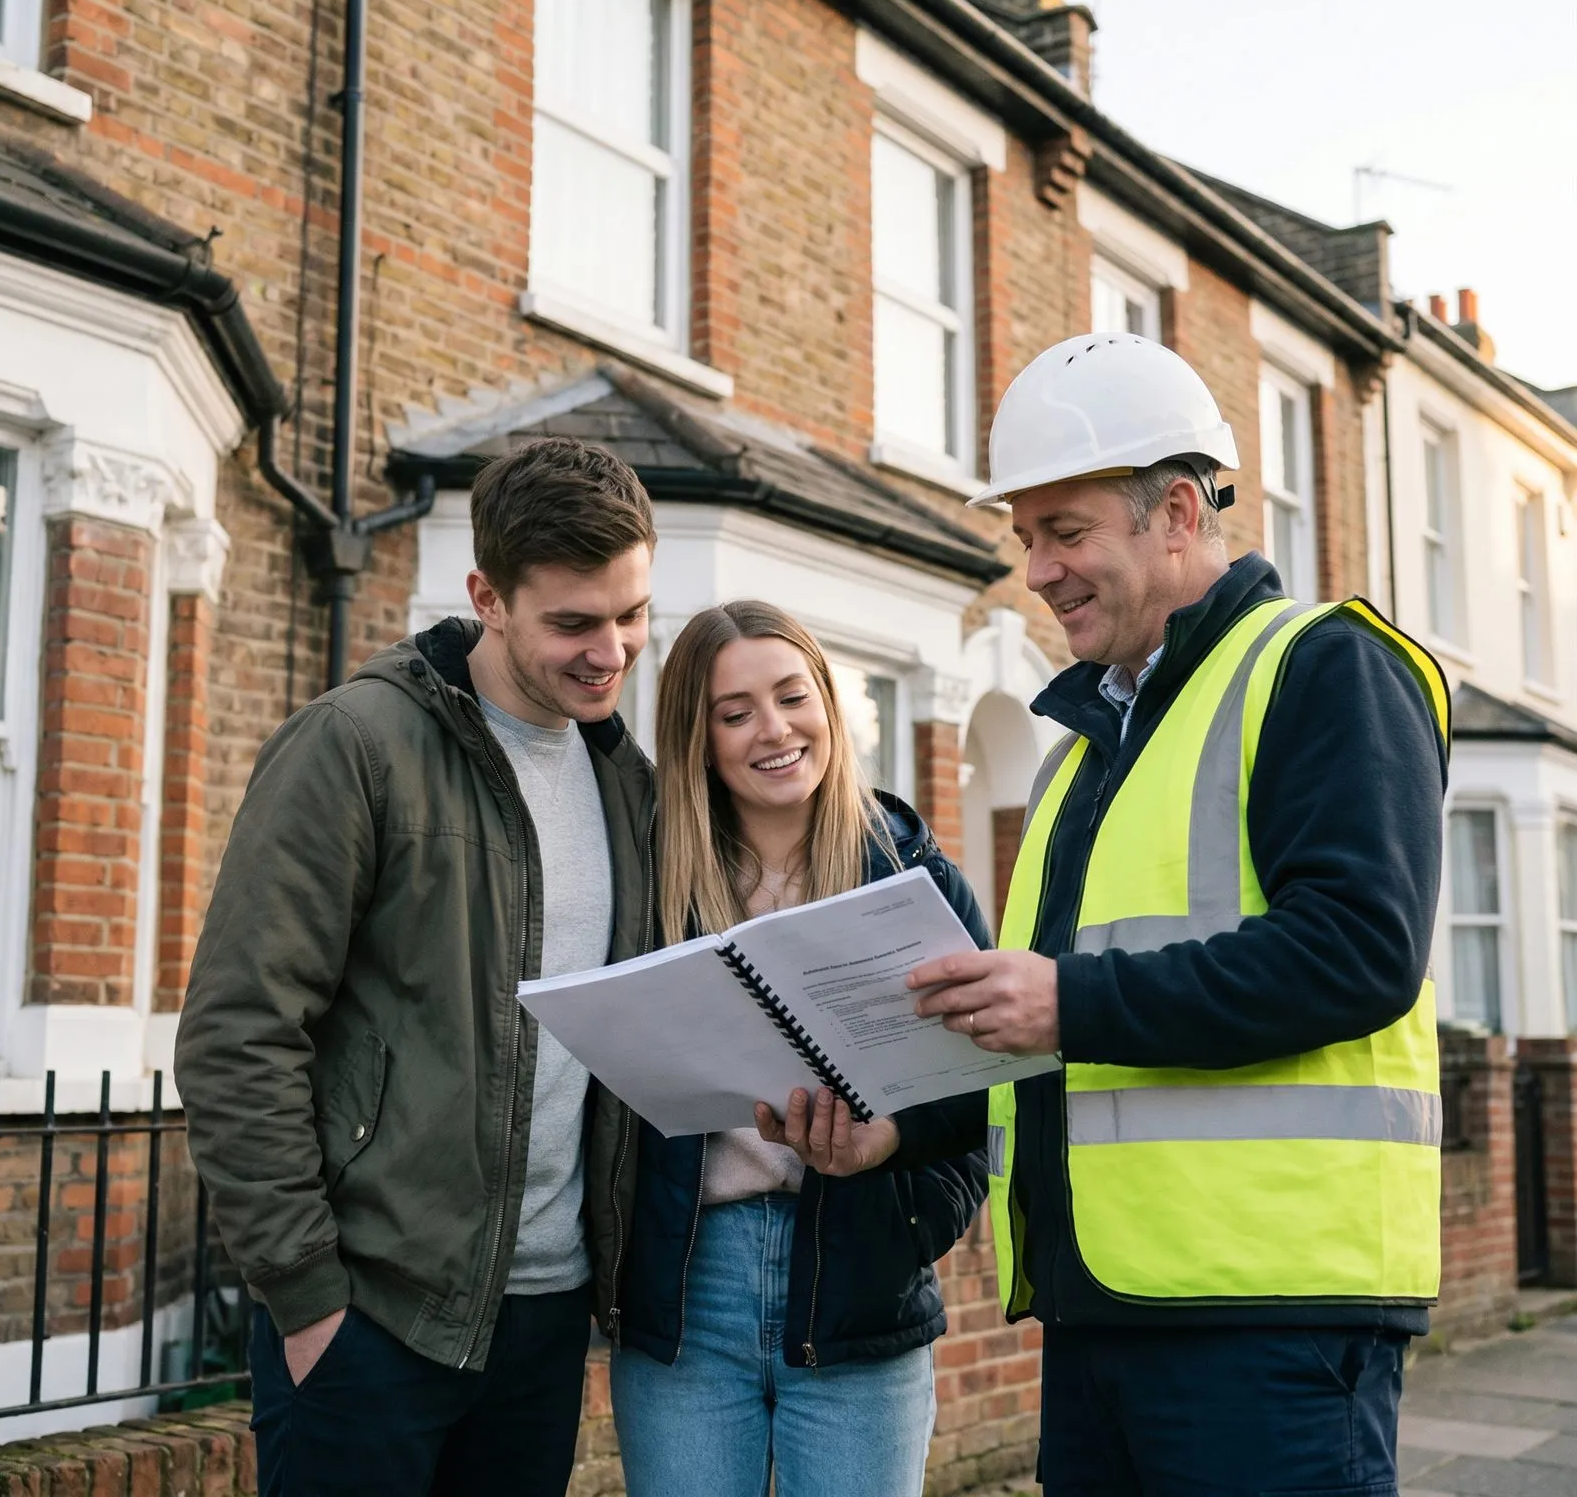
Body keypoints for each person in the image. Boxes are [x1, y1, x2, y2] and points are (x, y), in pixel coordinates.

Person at [760, 333, 1450, 1497]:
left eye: (1064, 531)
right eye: (1025, 536)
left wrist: (1066, 999)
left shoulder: (1320, 665)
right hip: (1100, 1311)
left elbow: (1358, 951)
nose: (1035, 570)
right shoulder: (1083, 755)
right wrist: (898, 1131)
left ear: (1176, 512)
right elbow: (1041, 1040)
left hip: (1270, 1321)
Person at [175, 438, 658, 1496]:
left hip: (545, 1321)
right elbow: (237, 1033)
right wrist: (306, 1296)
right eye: (573, 623)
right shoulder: (353, 744)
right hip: (371, 1318)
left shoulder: (629, 782)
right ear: (487, 598)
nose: (610, 652)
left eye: (631, 615)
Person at [610, 600, 989, 1497]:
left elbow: (987, 1096)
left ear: (827, 701)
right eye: (735, 713)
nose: (774, 730)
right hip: (690, 1288)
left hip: (861, 1282)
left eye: (791, 697)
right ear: (699, 740)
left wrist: (901, 1195)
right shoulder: (649, 881)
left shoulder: (914, 875)